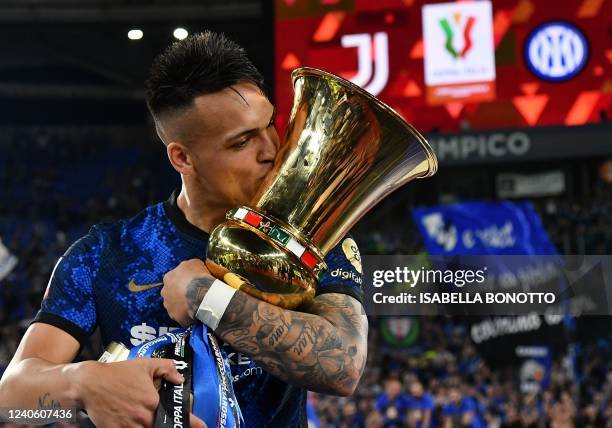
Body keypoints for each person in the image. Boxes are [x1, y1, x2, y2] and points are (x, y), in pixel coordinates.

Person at [0, 31, 368, 427]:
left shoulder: (311, 235)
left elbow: (343, 365)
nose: (272, 150)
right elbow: (10, 405)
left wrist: (205, 297)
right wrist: (82, 384)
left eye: (270, 126)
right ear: (183, 158)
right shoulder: (104, 253)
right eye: (242, 142)